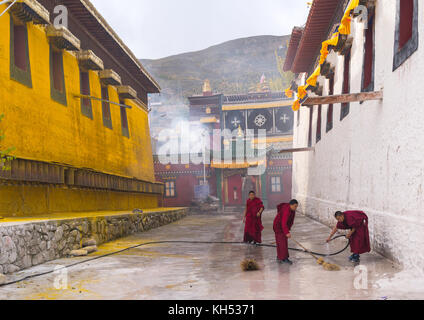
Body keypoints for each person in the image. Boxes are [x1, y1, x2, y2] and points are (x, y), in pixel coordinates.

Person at [273, 199, 299, 265]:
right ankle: (284, 258)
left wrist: (288, 229)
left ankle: (279, 257)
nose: (296, 208)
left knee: (280, 242)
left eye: (296, 206)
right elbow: (283, 222)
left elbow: (291, 221)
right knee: (282, 242)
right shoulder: (287, 210)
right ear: (291, 205)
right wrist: (286, 232)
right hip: (278, 226)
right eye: (295, 206)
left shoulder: (292, 210)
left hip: (282, 226)